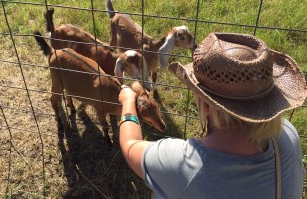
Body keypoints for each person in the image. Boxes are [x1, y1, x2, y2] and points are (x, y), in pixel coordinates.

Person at [118, 32, 307, 199]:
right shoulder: (287, 136)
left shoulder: (184, 163)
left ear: (208, 104)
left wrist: (127, 101)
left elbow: (130, 146)